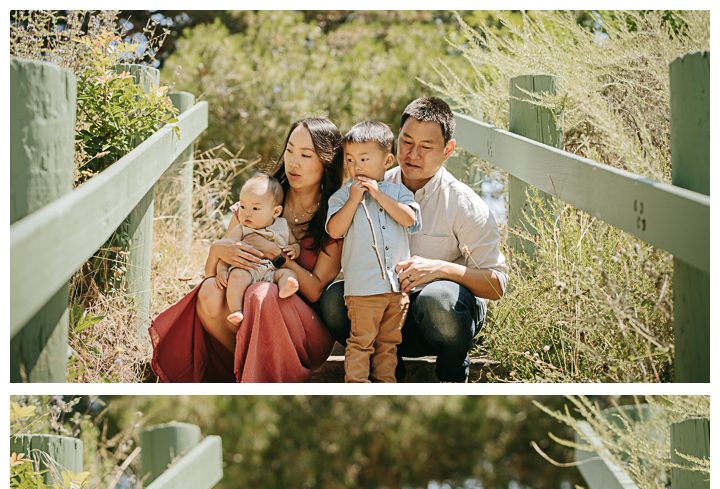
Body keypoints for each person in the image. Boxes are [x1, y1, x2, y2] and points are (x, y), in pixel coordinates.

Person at [319, 96, 508, 383]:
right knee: (334, 300)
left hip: (439, 320)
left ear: (448, 150)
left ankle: (451, 375)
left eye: (426, 147)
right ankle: (387, 373)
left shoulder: (465, 204)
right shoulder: (369, 185)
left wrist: (439, 269)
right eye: (406, 142)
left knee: (439, 298)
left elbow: (496, 285)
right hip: (384, 311)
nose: (413, 154)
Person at [150, 118, 344, 383]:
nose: (293, 161)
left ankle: (259, 372)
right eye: (289, 150)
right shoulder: (258, 199)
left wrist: (275, 255)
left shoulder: (335, 216)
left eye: (305, 155)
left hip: (306, 330)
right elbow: (211, 276)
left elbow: (316, 289)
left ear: (327, 161)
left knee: (260, 292)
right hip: (248, 317)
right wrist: (217, 249)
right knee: (208, 292)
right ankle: (250, 368)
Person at [326, 122, 421, 383]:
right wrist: (354, 200)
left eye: (364, 159)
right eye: (350, 159)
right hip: (363, 289)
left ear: (387, 160)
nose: (356, 166)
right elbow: (334, 230)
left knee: (389, 344)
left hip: (396, 289)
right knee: (361, 341)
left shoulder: (399, 192)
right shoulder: (342, 197)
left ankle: (384, 384)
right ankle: (356, 384)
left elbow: (410, 219)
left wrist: (379, 196)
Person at [212, 174, 301, 326]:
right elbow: (225, 256)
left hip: (272, 271)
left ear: (275, 212)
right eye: (243, 206)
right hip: (247, 270)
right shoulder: (241, 229)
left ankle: (285, 288)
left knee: (288, 273)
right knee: (237, 277)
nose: (247, 213)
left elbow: (295, 243)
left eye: (255, 208)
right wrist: (221, 271)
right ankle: (236, 310)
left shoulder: (282, 226)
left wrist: (294, 249)